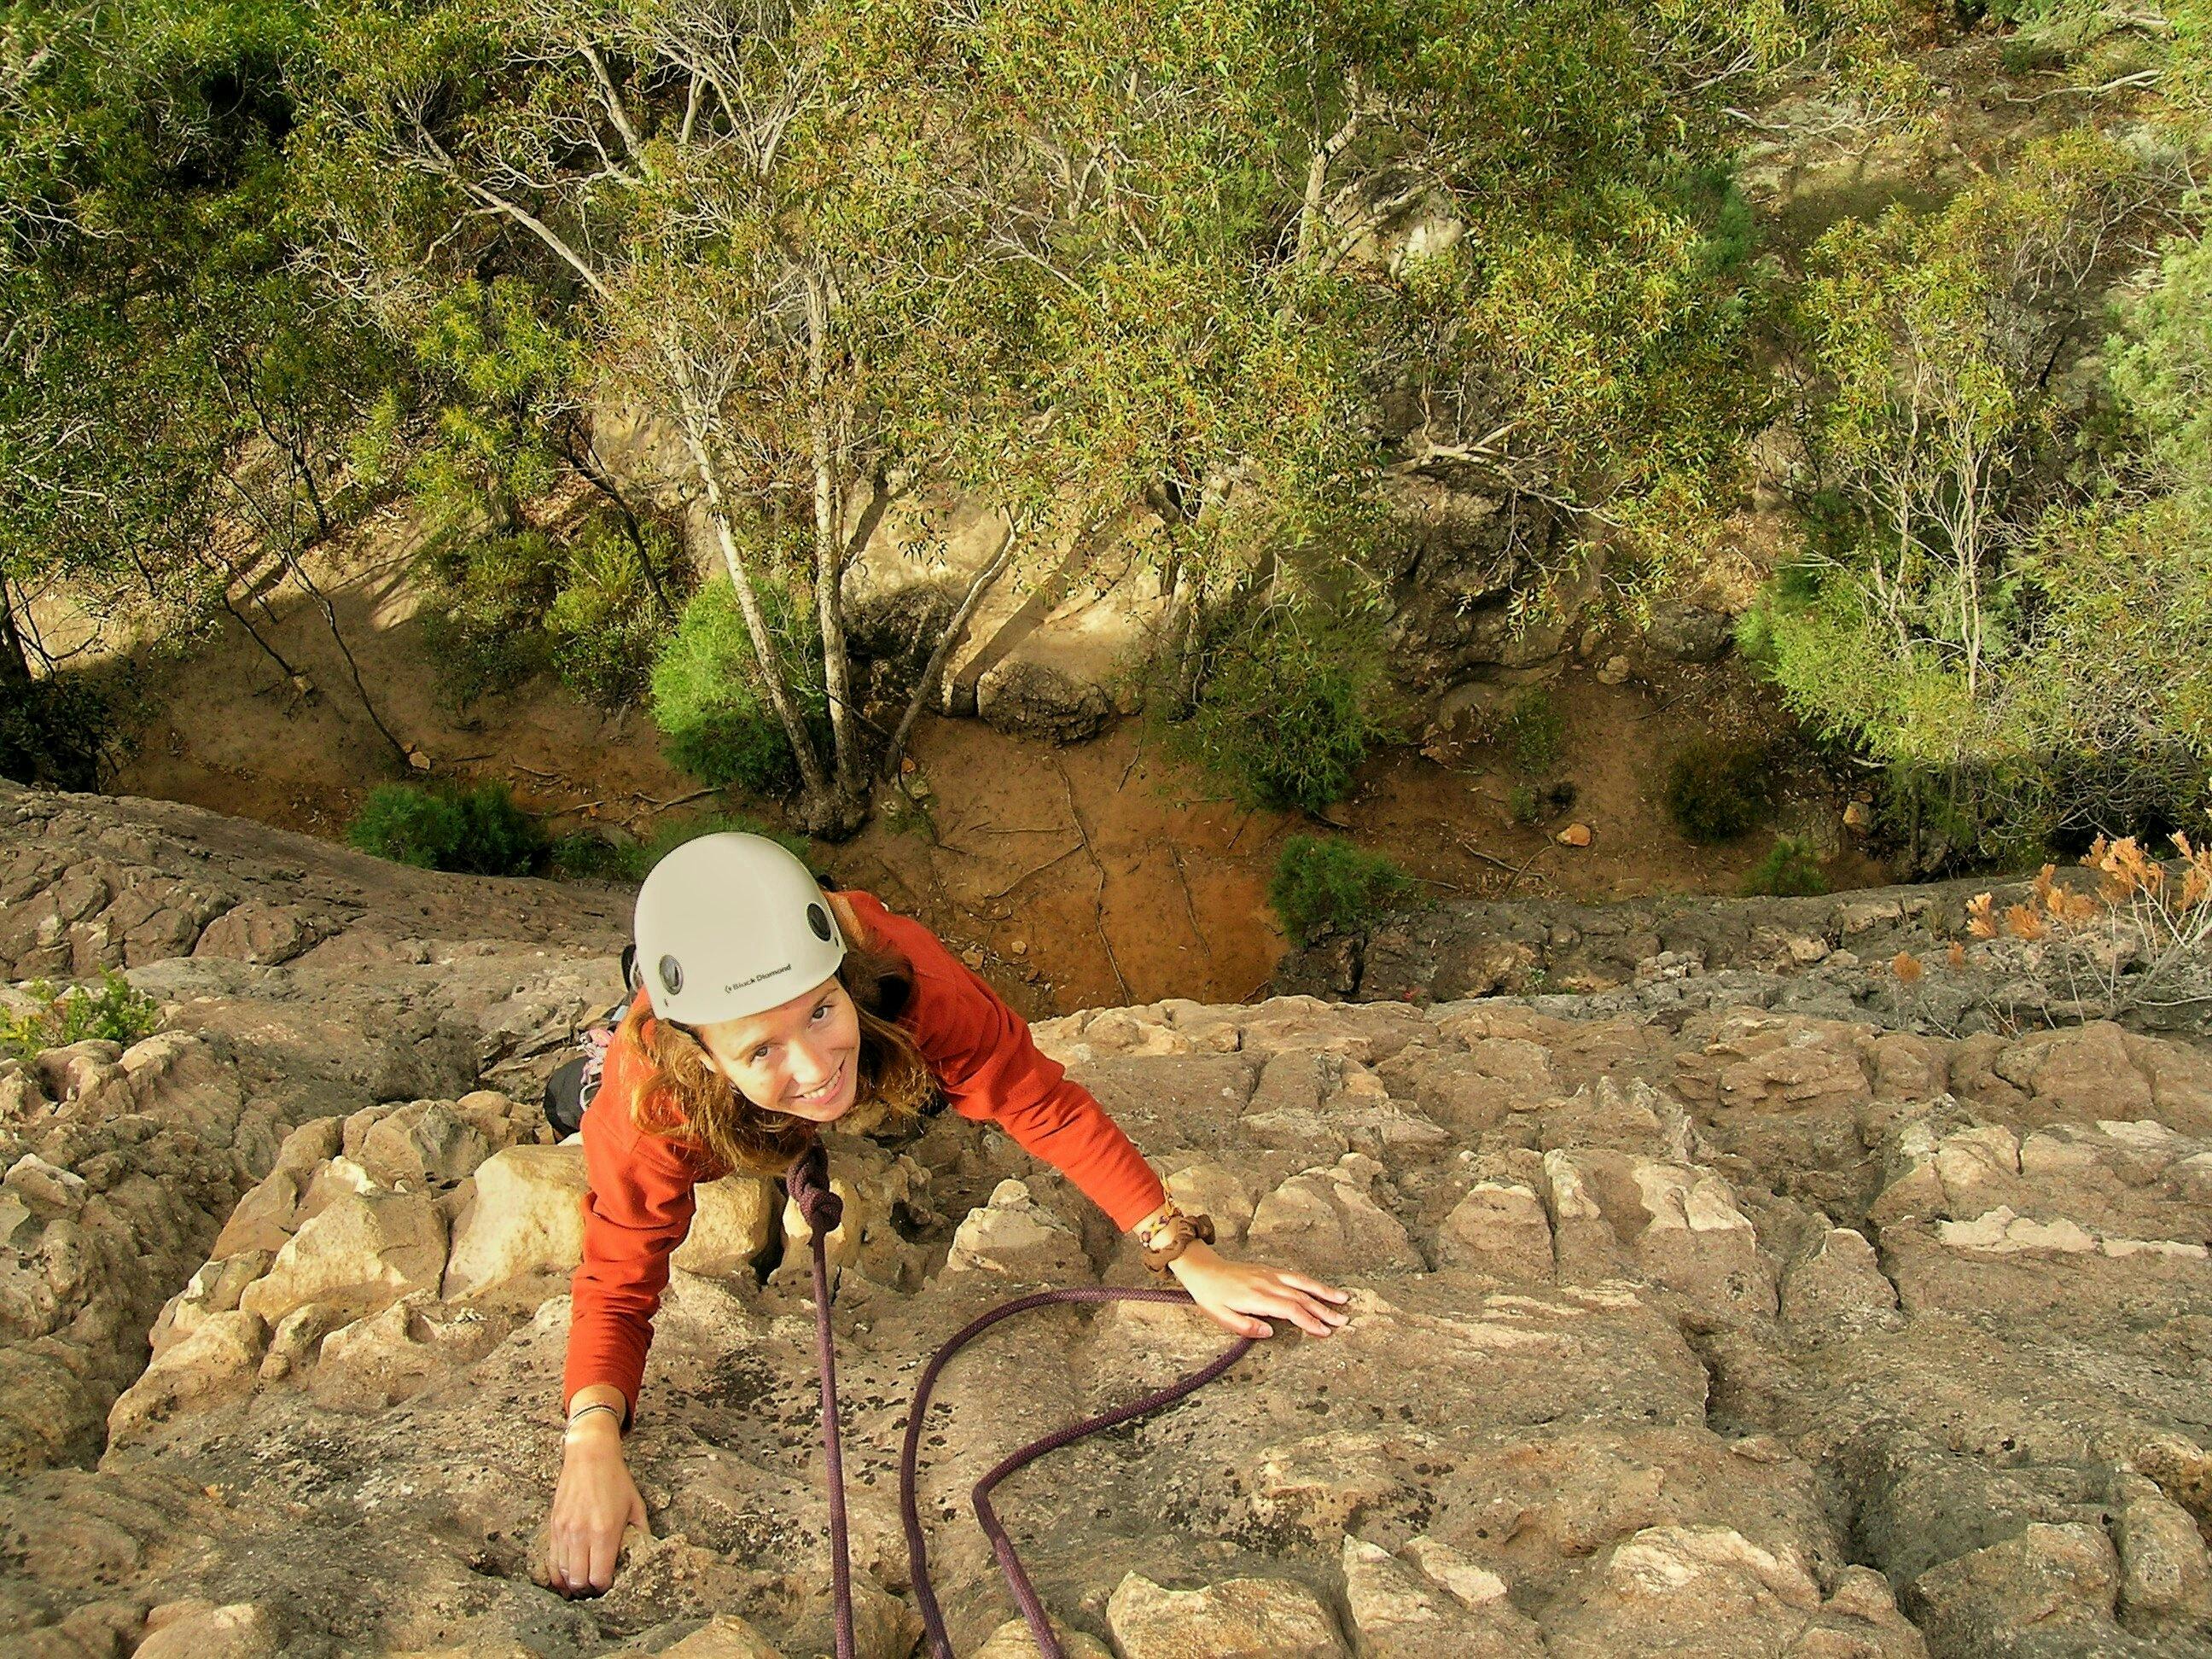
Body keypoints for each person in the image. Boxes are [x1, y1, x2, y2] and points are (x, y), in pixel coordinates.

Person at [547, 833, 1351, 1598]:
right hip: (668, 1093)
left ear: (841, 971)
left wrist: (1184, 1252)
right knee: (573, 1106)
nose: (816, 1064)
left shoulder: (900, 975)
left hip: (875, 1024)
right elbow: (621, 1268)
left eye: (821, 1012)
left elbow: (1038, 1100)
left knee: (907, 1096)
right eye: (760, 1047)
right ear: (701, 1052)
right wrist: (593, 1432)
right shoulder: (654, 1103)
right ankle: (607, 1035)